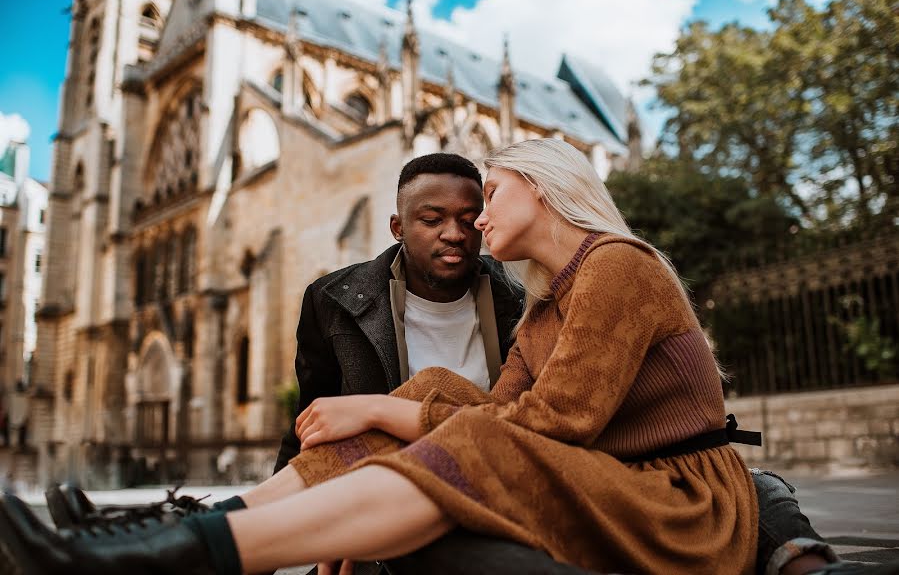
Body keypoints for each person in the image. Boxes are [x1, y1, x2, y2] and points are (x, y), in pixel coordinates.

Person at [0, 145, 847, 575]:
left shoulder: (617, 266)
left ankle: (170, 555)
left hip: (677, 501)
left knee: (449, 421)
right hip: (606, 481)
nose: (476, 222)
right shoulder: (549, 298)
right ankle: (164, 537)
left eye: (493, 197)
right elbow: (492, 410)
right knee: (444, 389)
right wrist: (383, 425)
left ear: (540, 191)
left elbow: (554, 425)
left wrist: (377, 413)